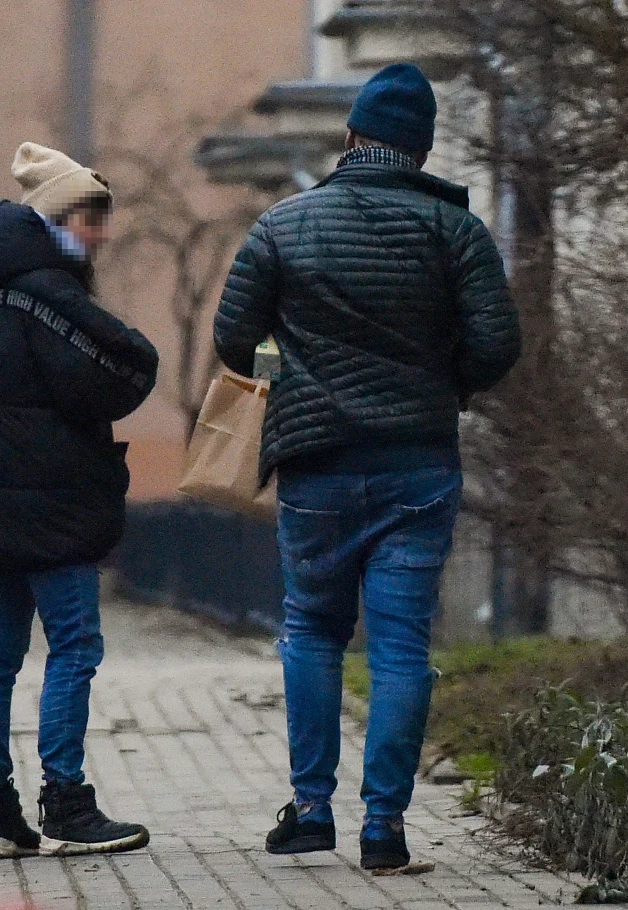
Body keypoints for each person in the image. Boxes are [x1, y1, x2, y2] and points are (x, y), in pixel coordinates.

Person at [214, 62, 522, 871]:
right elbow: (497, 346)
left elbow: (234, 339)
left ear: (352, 136)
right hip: (417, 467)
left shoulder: (283, 226)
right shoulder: (457, 232)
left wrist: (288, 376)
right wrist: (442, 384)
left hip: (316, 466)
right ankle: (384, 828)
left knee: (312, 629)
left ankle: (311, 810)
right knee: (400, 646)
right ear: (420, 150)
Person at [0, 142, 158, 860]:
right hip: (54, 510)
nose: (101, 235)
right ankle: (66, 803)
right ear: (59, 220)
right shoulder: (50, 295)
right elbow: (121, 369)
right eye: (92, 220)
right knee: (74, 647)